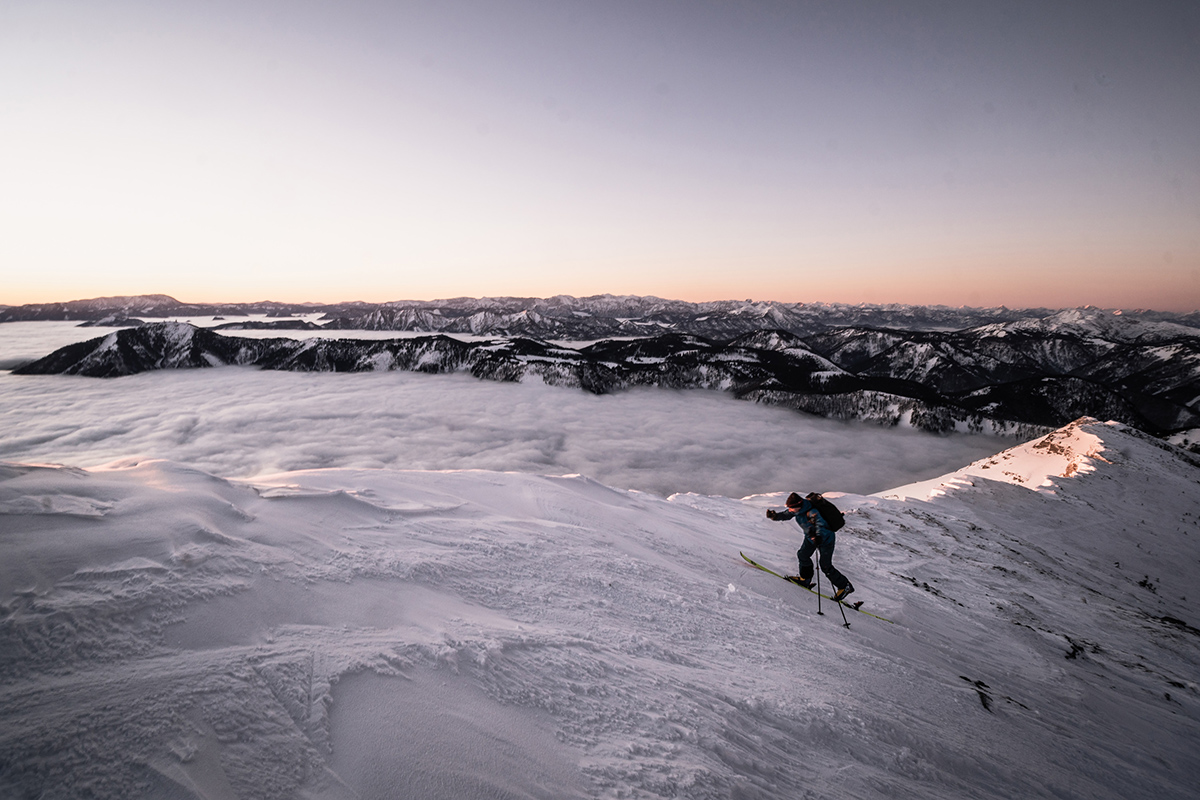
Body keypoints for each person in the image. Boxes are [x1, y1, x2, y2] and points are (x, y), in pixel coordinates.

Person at [766, 492, 854, 601]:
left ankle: (845, 586)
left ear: (798, 506)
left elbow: (822, 527)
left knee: (825, 566)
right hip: (810, 538)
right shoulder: (797, 510)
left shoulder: (813, 512)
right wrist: (774, 516)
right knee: (802, 555)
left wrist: (818, 537)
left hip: (826, 540)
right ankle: (805, 579)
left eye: (791, 508)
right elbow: (786, 514)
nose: (790, 510)